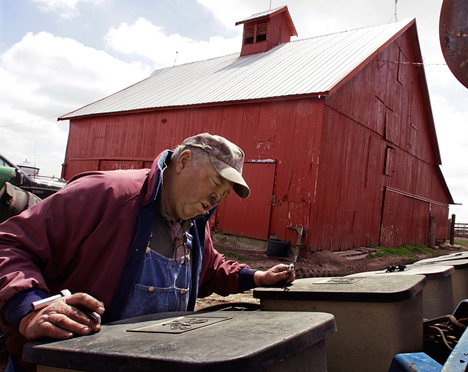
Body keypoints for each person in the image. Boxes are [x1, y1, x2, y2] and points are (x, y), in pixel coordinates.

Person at [0, 133, 295, 371]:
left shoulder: (193, 222)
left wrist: (255, 276)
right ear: (184, 161)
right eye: (216, 183)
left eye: (225, 193)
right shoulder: (108, 195)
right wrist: (30, 306)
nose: (218, 197)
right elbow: (10, 243)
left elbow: (208, 270)